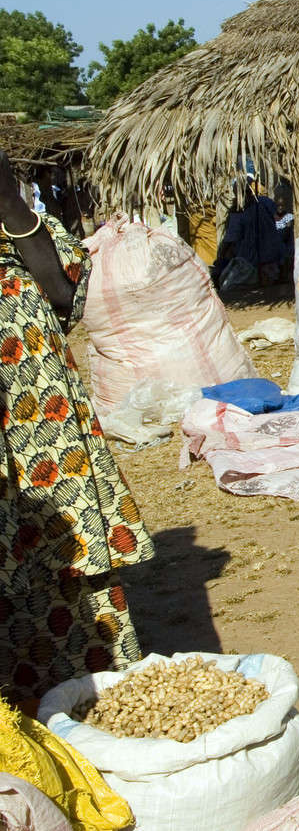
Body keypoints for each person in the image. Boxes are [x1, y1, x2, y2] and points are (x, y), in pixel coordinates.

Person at [0, 149, 154, 707]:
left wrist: (6, 197)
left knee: (64, 559)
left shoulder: (19, 216)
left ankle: (85, 703)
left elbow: (64, 294)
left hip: (45, 428)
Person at [216, 175, 290, 287]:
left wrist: (220, 256)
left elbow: (231, 238)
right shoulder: (264, 202)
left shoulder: (239, 212)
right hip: (273, 250)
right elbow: (278, 213)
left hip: (252, 256)